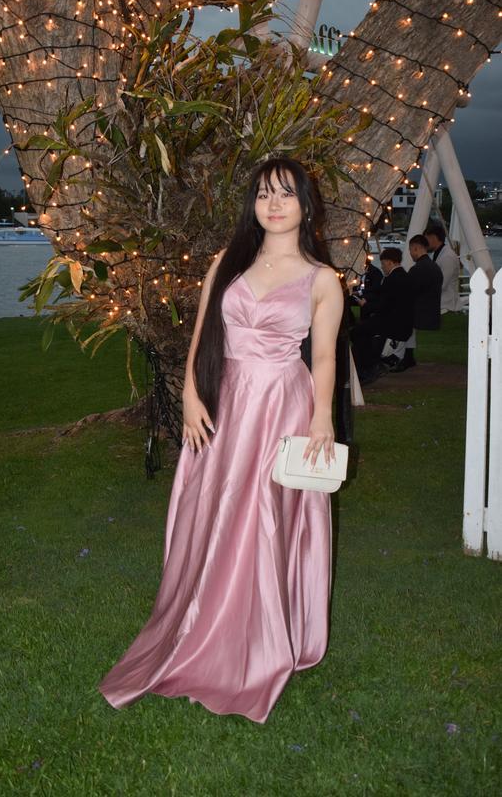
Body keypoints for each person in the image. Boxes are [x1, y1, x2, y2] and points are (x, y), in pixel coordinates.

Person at [99, 157, 344, 724]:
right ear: (252, 206)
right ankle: (201, 618)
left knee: (264, 514)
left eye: (285, 194)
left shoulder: (322, 278)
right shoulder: (227, 263)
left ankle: (257, 637)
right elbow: (205, 331)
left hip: (283, 402)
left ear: (306, 205)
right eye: (263, 195)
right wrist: (189, 393)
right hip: (226, 399)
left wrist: (322, 418)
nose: (274, 205)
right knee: (213, 510)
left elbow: (326, 356)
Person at [350, 247, 413, 382]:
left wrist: (365, 305)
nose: (382, 267)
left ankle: (366, 368)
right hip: (399, 319)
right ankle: (366, 365)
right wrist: (365, 296)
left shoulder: (393, 279)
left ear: (390, 262)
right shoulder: (401, 276)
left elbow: (383, 305)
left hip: (393, 322)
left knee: (358, 331)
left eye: (383, 264)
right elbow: (382, 293)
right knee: (362, 329)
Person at [395, 234, 443, 372]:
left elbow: (408, 292)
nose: (410, 254)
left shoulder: (418, 269)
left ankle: (397, 355)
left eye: (410, 250)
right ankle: (407, 356)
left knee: (398, 317)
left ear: (415, 248)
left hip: (421, 311)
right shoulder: (433, 267)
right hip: (429, 309)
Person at [425, 223, 461, 313]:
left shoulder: (447, 257)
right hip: (441, 305)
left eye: (425, 240)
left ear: (433, 238)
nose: (424, 244)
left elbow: (442, 284)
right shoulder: (438, 254)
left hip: (446, 307)